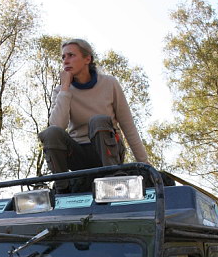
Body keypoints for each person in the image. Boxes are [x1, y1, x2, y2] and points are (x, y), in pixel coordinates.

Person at [38, 38, 149, 193]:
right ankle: (62, 187)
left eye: (71, 55)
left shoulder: (109, 84)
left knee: (98, 120)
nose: (65, 61)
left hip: (109, 151)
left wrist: (145, 165)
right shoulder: (61, 91)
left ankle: (113, 177)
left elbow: (128, 124)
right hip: (79, 154)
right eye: (63, 57)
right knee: (51, 132)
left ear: (87, 59)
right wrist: (65, 89)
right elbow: (57, 126)